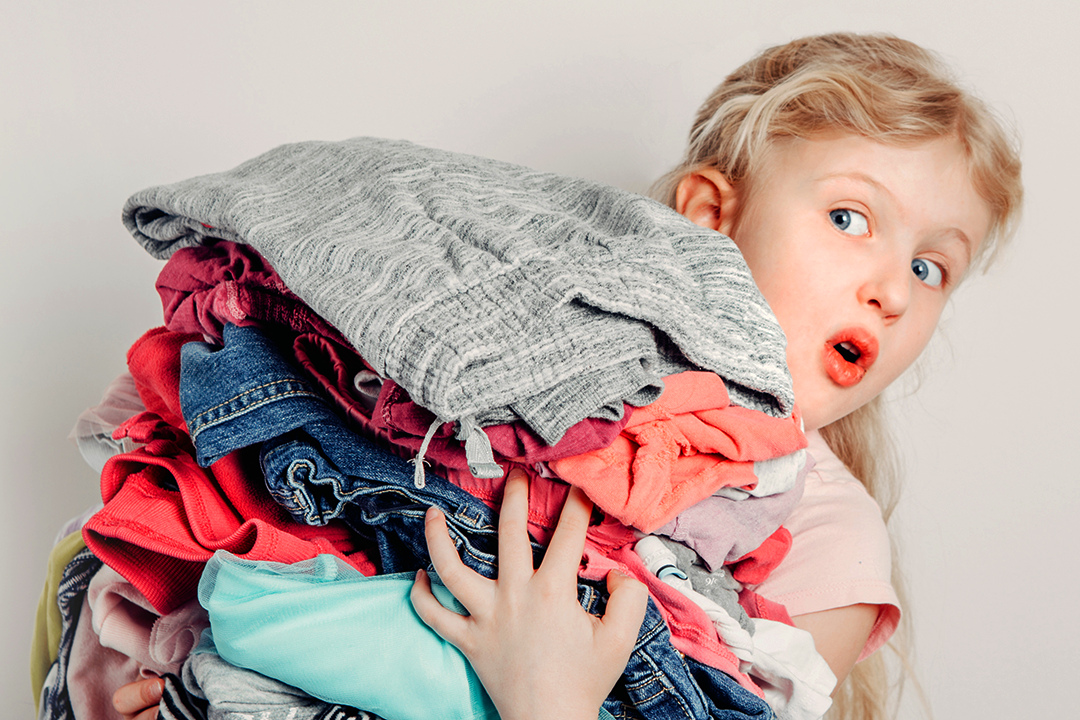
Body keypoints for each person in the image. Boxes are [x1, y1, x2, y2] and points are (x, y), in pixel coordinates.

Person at [113, 31, 1022, 720]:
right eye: (853, 219)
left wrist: (547, 695)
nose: (894, 291)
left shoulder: (832, 540)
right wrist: (160, 656)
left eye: (932, 266)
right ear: (710, 216)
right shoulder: (536, 366)